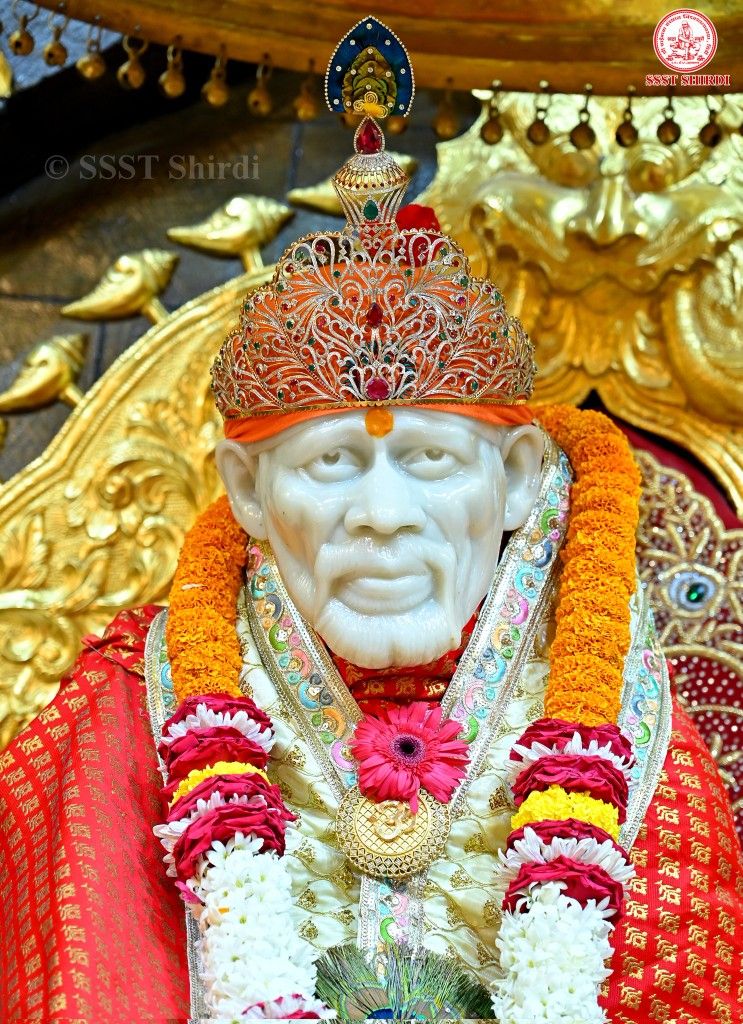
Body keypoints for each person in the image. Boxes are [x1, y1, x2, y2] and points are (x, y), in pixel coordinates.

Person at [1, 21, 741, 1023]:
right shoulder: (128, 707)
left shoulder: (624, 716)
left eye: (430, 461)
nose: (384, 517)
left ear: (522, 479)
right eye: (332, 463)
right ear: (249, 493)